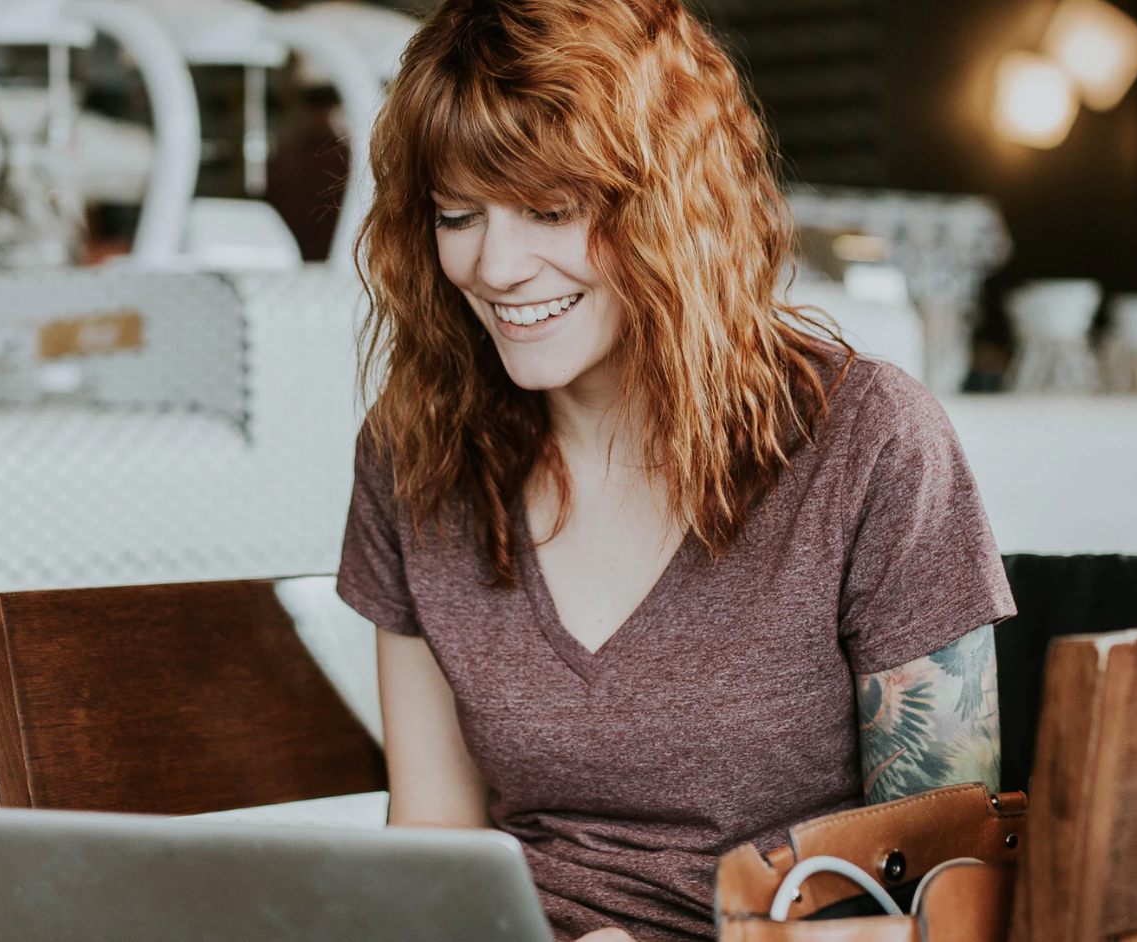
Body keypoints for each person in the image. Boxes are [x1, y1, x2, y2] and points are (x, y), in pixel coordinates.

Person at [336, 1, 1015, 939]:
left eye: (550, 209)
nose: (495, 265)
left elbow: (952, 899)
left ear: (668, 204)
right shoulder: (414, 454)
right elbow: (433, 846)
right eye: (458, 214)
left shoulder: (869, 443)